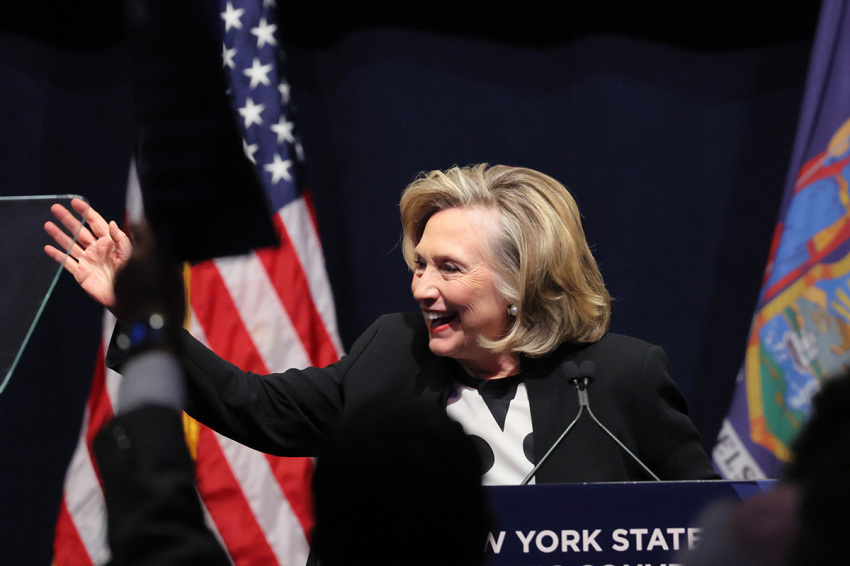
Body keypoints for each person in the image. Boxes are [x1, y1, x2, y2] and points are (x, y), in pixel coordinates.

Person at [45, 163, 717, 483]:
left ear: (521, 282)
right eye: (420, 265)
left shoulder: (623, 377)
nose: (421, 288)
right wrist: (138, 314)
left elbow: (706, 525)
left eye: (449, 268)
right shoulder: (394, 354)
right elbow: (252, 406)